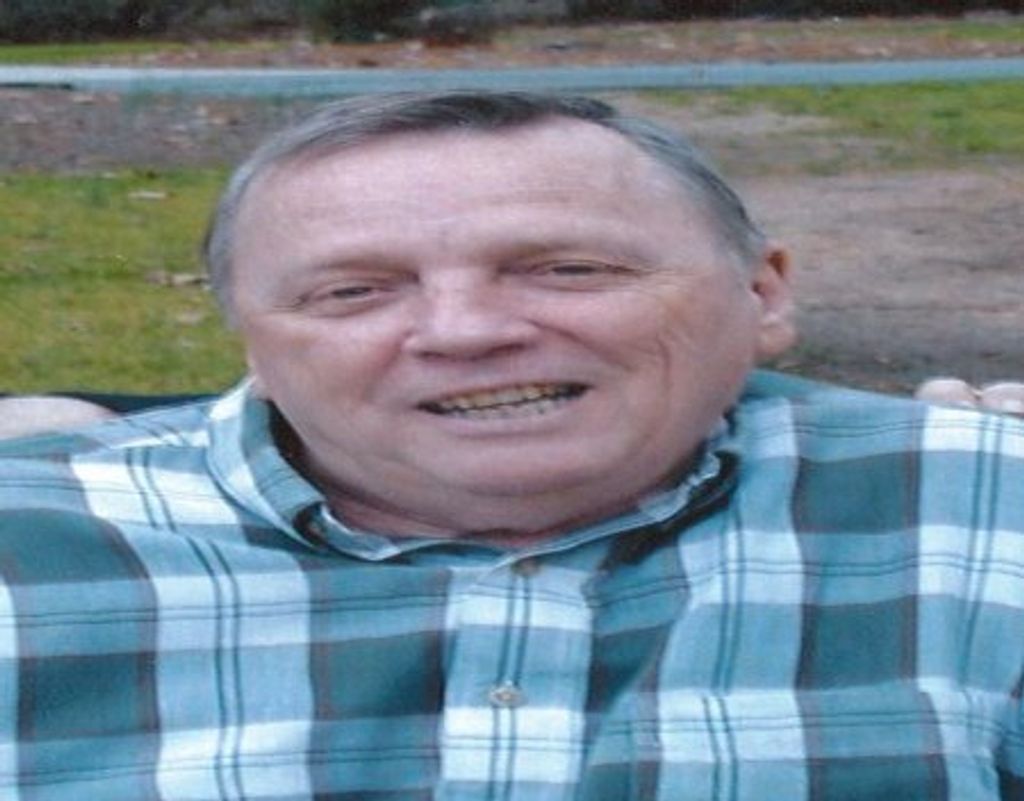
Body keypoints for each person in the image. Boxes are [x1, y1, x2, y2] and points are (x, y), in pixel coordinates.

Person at [0, 91, 1021, 800]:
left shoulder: (981, 509)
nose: (463, 332)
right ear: (254, 346)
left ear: (762, 295)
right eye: (353, 292)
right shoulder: (26, 551)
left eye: (567, 269)